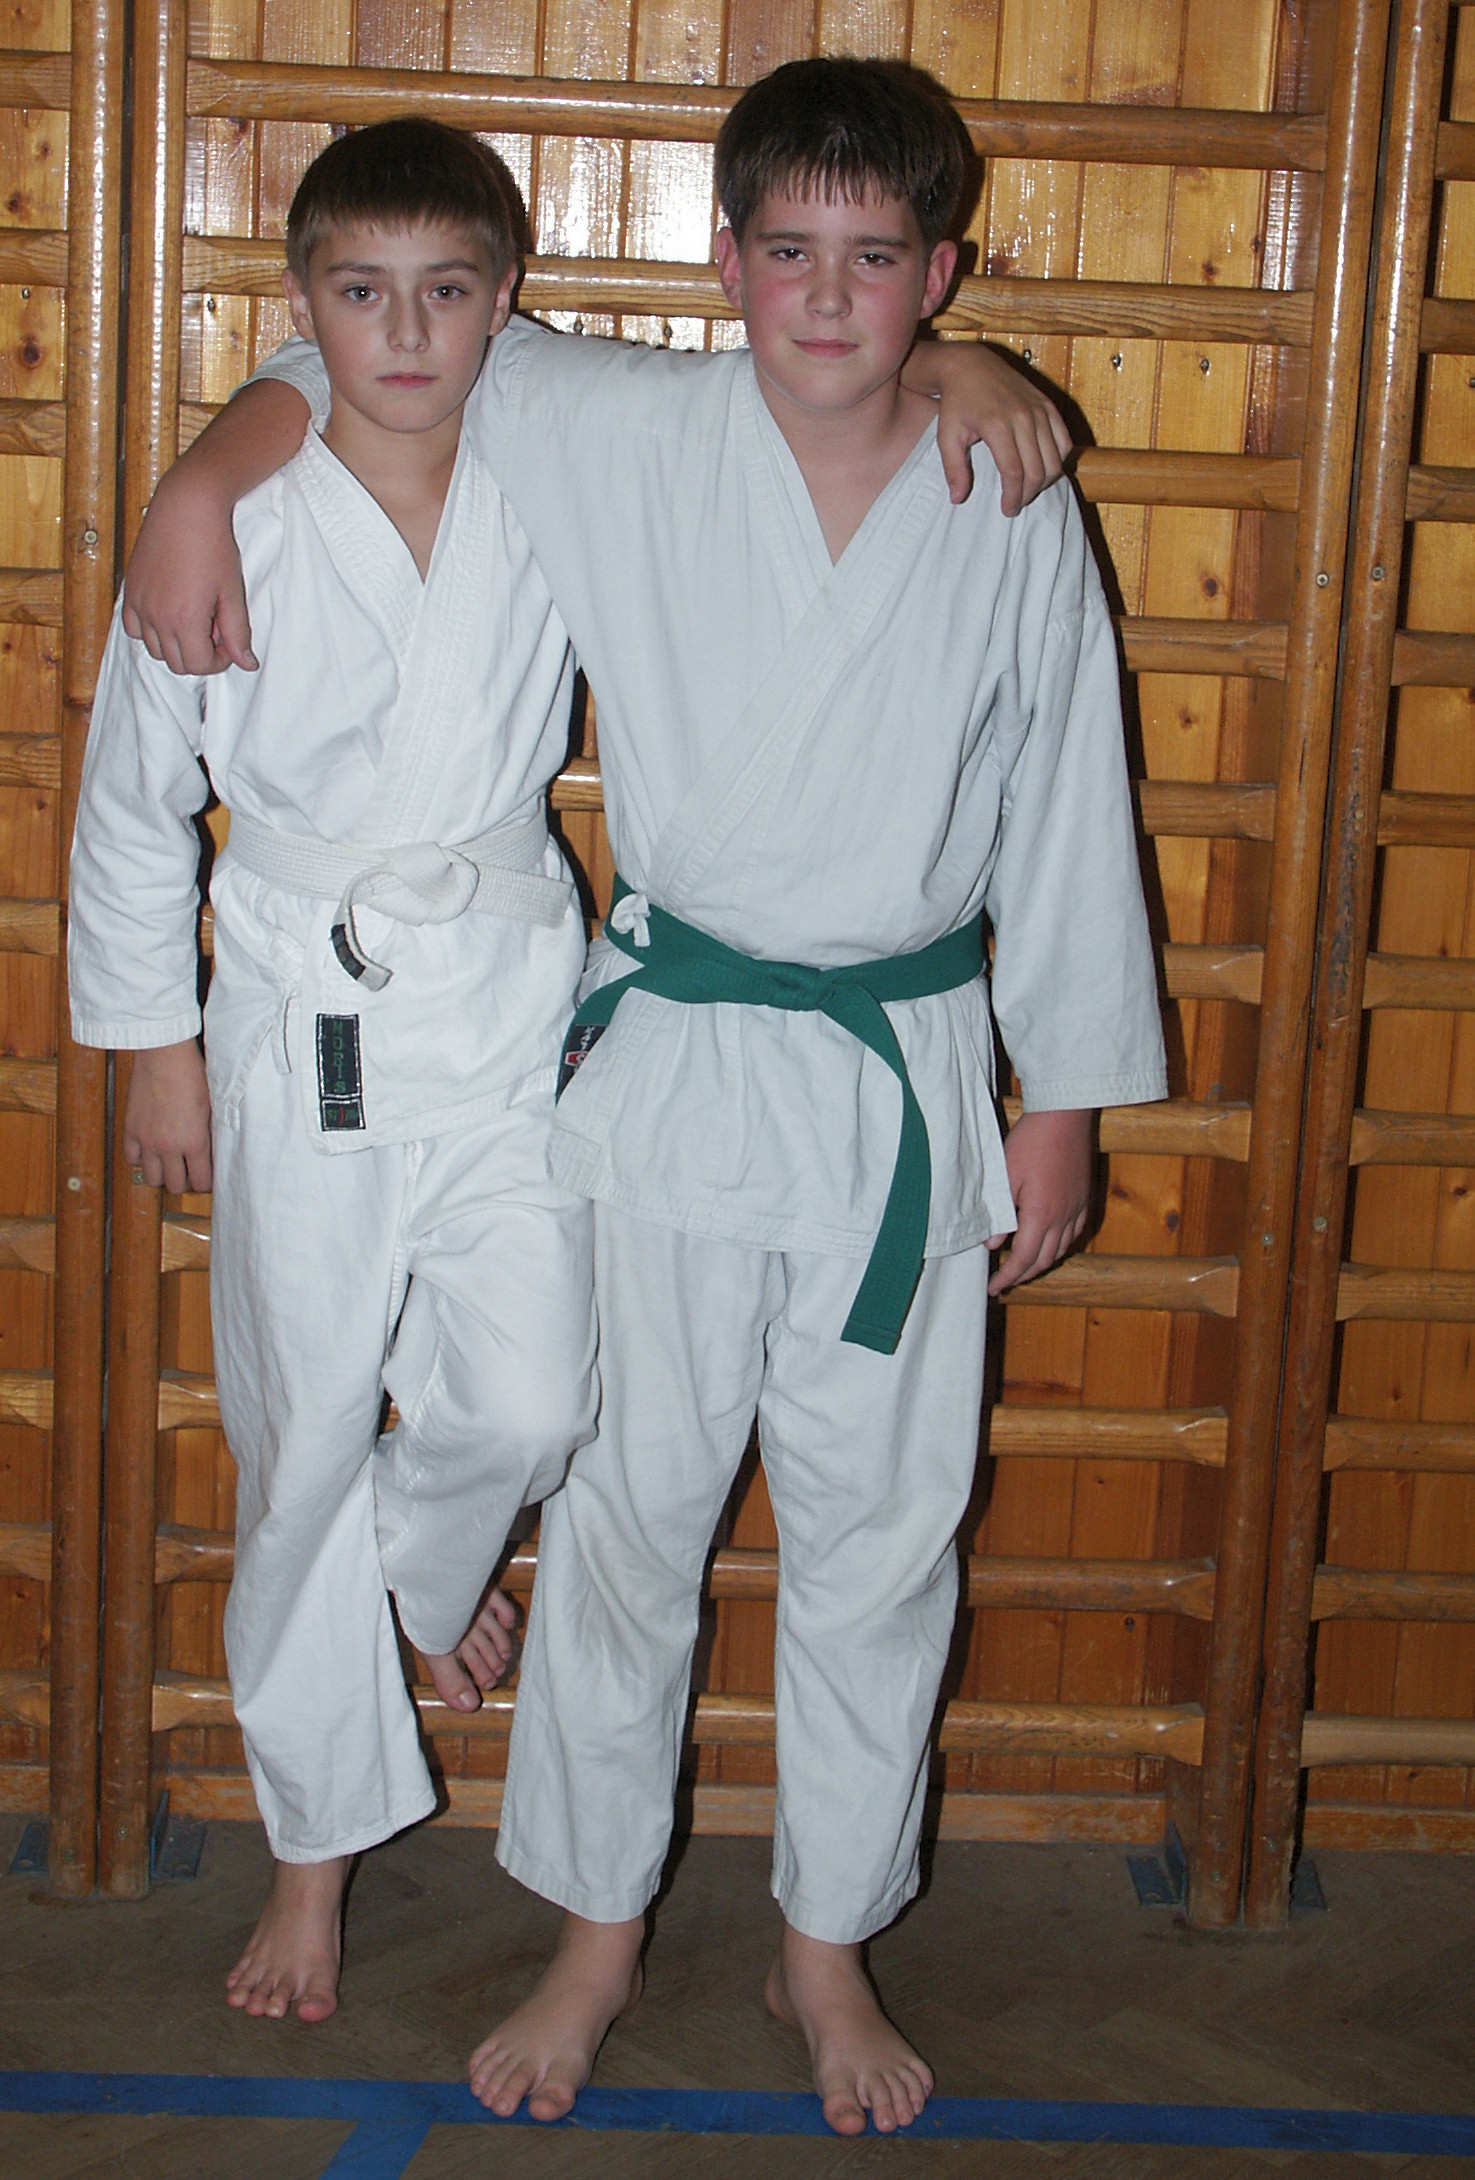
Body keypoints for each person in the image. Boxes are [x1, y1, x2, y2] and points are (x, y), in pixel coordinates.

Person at [119, 61, 1141, 2135]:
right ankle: (594, 1935)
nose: (830, 297)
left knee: (882, 1539)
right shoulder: (623, 420)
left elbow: (1063, 798)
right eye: (791, 251)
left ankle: (820, 1944)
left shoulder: (1005, 494)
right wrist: (201, 475)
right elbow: (375, 335)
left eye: (879, 262)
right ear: (723, 261)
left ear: (939, 274)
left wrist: (1070, 1092)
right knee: (622, 1523)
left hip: (905, 1077)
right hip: (677, 1060)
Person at [67, 119, 602, 2027]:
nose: (409, 333)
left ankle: (411, 1562)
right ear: (302, 304)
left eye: (449, 292)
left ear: (506, 303)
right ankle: (313, 1858)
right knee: (297, 1428)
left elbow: (774, 405)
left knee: (535, 1395)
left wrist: (949, 372)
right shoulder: (239, 519)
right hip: (298, 1007)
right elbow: (133, 806)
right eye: (361, 294)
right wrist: (153, 1046)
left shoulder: (558, 462)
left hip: (512, 997)